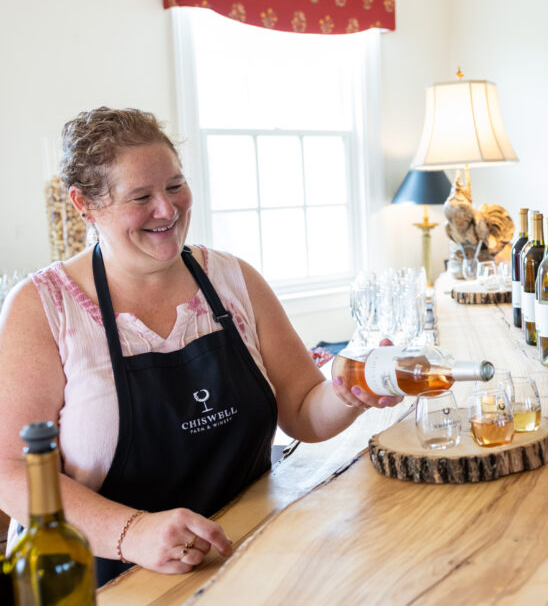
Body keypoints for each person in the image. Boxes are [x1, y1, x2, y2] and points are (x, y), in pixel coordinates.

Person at [0, 107, 400, 586]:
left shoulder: (232, 279)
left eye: (174, 186)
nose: (167, 210)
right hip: (102, 576)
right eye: (141, 196)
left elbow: (302, 411)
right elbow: (10, 471)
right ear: (84, 205)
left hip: (244, 554)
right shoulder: (45, 307)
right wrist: (132, 532)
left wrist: (347, 389)